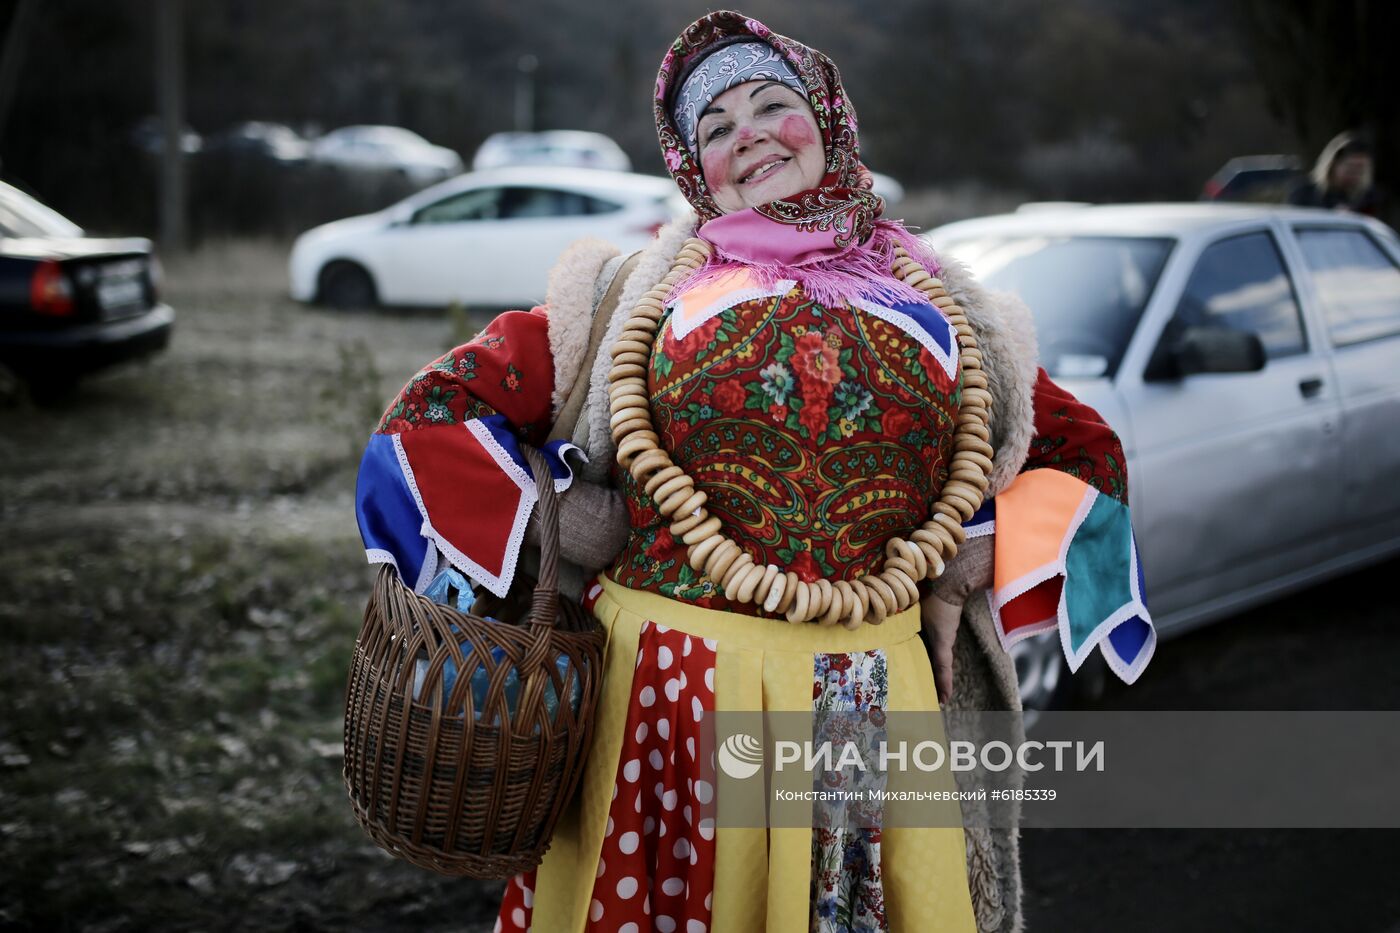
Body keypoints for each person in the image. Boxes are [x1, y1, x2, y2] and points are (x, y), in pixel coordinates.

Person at [354, 11, 1155, 932]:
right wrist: (568, 515)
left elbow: (1086, 454)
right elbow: (427, 416)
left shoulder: (952, 313)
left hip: (870, 710)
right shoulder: (634, 295)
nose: (751, 137)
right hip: (665, 706)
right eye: (716, 128)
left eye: (774, 105)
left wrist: (968, 553)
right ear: (695, 169)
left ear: (829, 117)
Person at [1288, 130, 1380, 216]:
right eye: (1350, 168)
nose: (1355, 174)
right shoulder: (1304, 193)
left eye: (1361, 170)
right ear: (1332, 164)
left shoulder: (1368, 198)